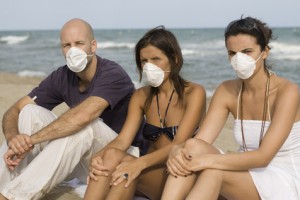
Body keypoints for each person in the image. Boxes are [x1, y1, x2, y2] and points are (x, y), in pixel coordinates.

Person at [0, 18, 143, 200]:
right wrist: (14, 138)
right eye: (67, 45)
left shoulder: (113, 73)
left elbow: (84, 116)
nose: (73, 50)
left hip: (124, 155)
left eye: (79, 43)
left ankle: (12, 197)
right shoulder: (62, 76)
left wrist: (32, 140)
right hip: (87, 159)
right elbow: (16, 109)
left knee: (85, 126)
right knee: (30, 112)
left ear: (93, 46)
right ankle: (5, 186)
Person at [161, 16, 300, 200]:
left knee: (213, 171)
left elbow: (263, 157)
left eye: (247, 51)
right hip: (243, 170)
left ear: (265, 52)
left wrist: (204, 161)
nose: (238, 58)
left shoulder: (287, 92)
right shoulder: (227, 90)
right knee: (191, 147)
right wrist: (179, 151)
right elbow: (200, 142)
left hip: (282, 177)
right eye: (232, 53)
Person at [82, 26, 206, 200]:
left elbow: (179, 144)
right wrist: (98, 157)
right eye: (144, 61)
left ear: (175, 60)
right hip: (150, 171)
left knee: (126, 167)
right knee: (110, 157)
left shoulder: (194, 93)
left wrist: (137, 164)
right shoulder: (141, 96)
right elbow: (123, 140)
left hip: (178, 175)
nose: (149, 66)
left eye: (156, 59)